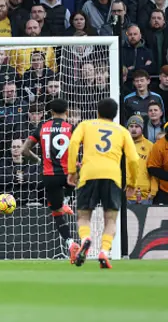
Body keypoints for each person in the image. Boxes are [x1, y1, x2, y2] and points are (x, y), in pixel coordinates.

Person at [67, 98, 139, 269]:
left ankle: (86, 240)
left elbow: (73, 144)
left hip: (88, 174)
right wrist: (132, 182)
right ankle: (104, 252)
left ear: (97, 112)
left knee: (84, 216)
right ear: (115, 115)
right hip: (112, 176)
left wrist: (72, 171)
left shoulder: (86, 125)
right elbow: (134, 159)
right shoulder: (122, 131)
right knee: (111, 218)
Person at [22, 98, 77, 261]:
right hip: (68, 175)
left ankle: (70, 243)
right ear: (66, 112)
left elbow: (25, 150)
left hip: (49, 175)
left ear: (50, 113)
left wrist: (38, 161)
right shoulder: (71, 128)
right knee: (78, 170)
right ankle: (67, 199)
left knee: (56, 213)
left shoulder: (42, 127)